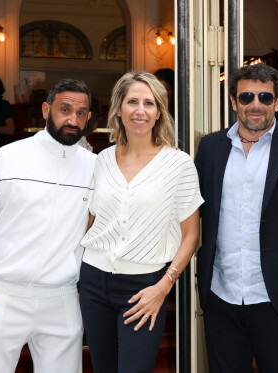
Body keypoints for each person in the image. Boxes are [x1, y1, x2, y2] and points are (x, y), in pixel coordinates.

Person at [195, 63, 278, 372]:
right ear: (234, 102)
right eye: (247, 97)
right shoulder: (210, 148)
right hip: (221, 294)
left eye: (266, 98)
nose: (256, 105)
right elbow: (195, 210)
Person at [0, 79, 96, 373]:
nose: (73, 119)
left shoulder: (96, 167)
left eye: (81, 113)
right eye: (65, 109)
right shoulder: (8, 158)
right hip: (1, 296)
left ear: (88, 118)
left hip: (63, 299)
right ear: (46, 110)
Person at [78, 72, 203, 372]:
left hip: (144, 286)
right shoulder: (101, 160)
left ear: (159, 112)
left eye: (149, 103)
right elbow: (90, 221)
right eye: (132, 101)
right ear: (118, 109)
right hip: (93, 281)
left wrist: (164, 285)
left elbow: (191, 236)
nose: (140, 111)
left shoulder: (179, 164)